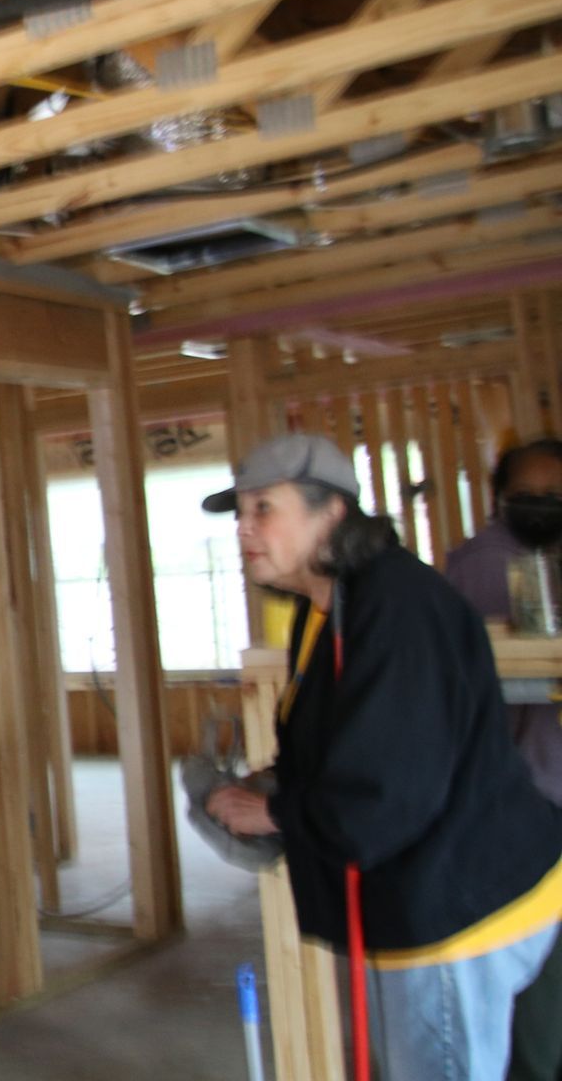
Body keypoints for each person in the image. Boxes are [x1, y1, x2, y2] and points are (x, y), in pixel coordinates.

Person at [203, 434, 562, 1081]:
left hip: (459, 911)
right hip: (435, 894)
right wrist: (277, 785)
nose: (244, 529)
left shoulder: (398, 610)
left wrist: (276, 813)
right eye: (240, 513)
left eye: (264, 509)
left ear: (332, 513)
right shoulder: (328, 607)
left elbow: (391, 792)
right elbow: (351, 742)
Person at [444, 437, 562, 1081]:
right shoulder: (489, 563)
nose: (542, 506)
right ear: (498, 500)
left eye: (554, 496)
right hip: (525, 798)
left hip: (533, 786)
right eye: (528, 496)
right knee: (537, 972)